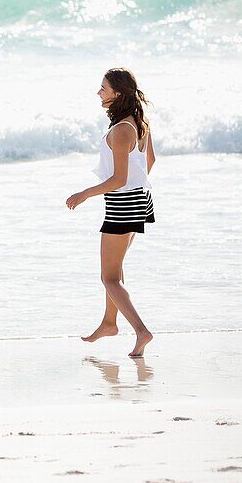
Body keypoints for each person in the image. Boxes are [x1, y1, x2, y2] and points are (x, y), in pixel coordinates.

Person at [67, 68, 155, 358]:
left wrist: (84, 194)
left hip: (123, 204)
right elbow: (149, 161)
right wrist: (135, 188)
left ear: (117, 93)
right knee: (115, 272)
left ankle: (141, 331)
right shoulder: (140, 124)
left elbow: (118, 179)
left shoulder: (121, 131)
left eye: (103, 88)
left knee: (109, 278)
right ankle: (109, 323)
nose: (99, 92)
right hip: (139, 200)